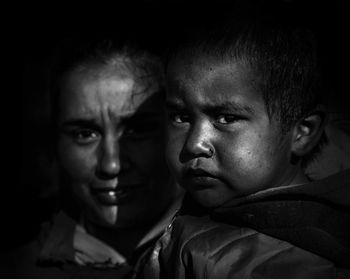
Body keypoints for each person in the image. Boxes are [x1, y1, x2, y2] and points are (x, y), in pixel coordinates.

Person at [138, 2, 350, 278]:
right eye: (180, 117)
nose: (194, 144)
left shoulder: (280, 262)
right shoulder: (208, 218)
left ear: (302, 133)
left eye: (226, 118)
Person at [7, 38, 182, 279]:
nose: (112, 164)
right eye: (84, 134)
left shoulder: (233, 257)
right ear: (54, 146)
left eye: (137, 130)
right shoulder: (17, 270)